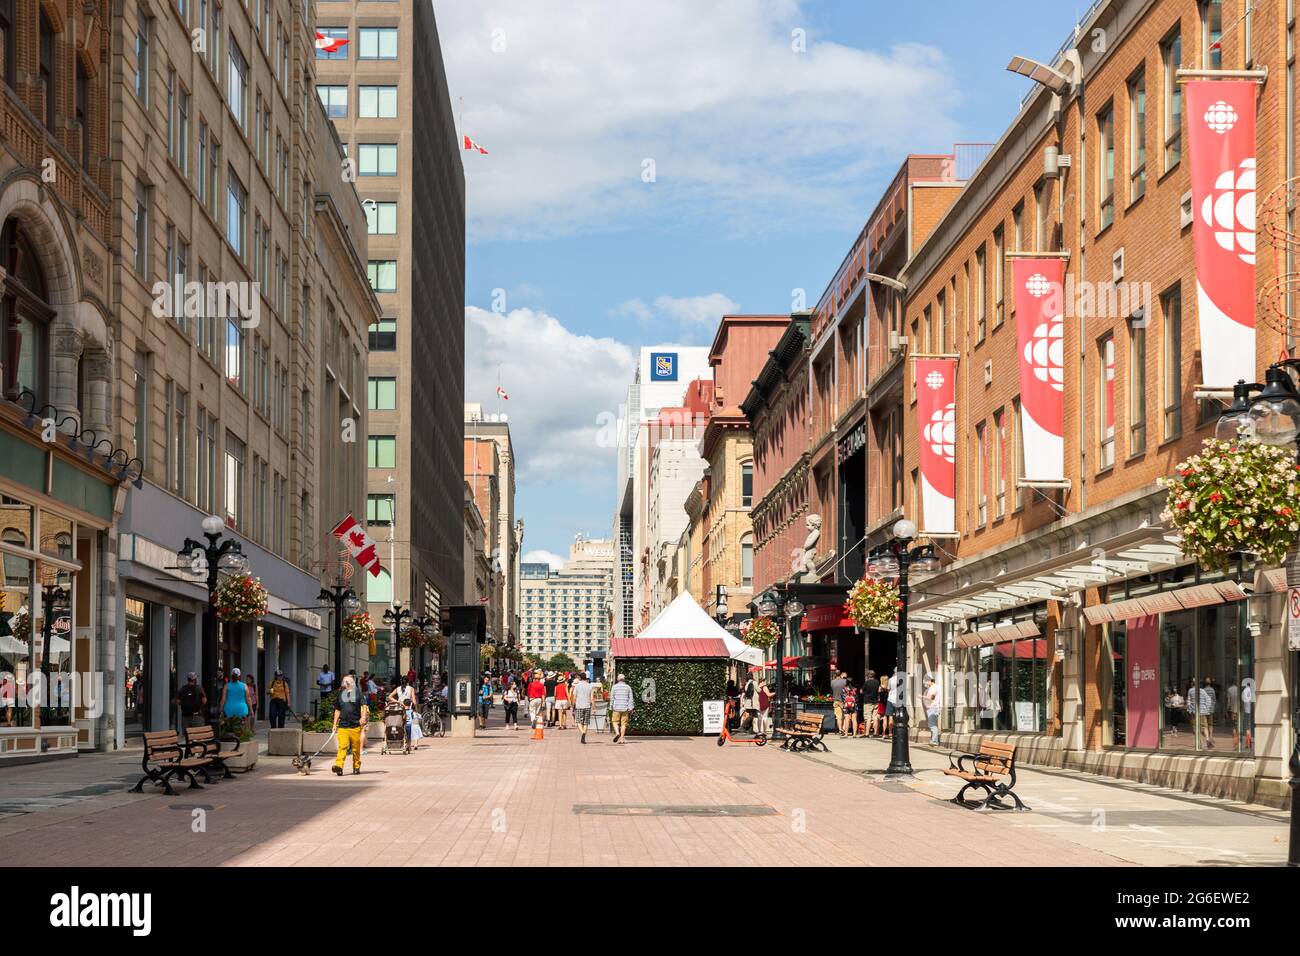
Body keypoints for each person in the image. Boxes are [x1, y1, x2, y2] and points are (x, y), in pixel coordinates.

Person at [332, 674, 369, 775]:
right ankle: (339, 766)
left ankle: (356, 766)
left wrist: (363, 717)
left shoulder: (358, 693)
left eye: (348, 681)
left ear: (352, 682)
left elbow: (364, 706)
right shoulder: (340, 694)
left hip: (355, 726)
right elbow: (337, 710)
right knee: (342, 746)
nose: (346, 682)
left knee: (356, 749)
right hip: (343, 726)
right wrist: (334, 724)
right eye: (345, 681)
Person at [388, 676, 422, 749]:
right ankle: (415, 744)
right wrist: (415, 709)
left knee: (402, 725)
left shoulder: (397, 689)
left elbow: (390, 696)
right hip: (409, 707)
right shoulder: (411, 688)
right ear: (408, 682)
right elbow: (414, 700)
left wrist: (398, 701)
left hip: (400, 709)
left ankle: (404, 742)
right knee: (415, 725)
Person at [609, 672, 635, 743]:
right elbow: (631, 699)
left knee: (614, 721)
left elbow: (612, 698)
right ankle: (622, 739)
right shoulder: (628, 687)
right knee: (624, 724)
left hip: (616, 708)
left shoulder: (614, 687)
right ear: (624, 679)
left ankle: (617, 733)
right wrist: (631, 708)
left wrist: (611, 707)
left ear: (618, 679)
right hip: (625, 708)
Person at [572, 672, 594, 743]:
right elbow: (592, 698)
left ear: (580, 678)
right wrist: (594, 707)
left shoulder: (577, 686)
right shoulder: (590, 686)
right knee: (586, 722)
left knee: (578, 721)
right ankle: (584, 733)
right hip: (587, 705)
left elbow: (574, 697)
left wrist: (573, 705)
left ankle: (583, 733)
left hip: (579, 705)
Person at [923, 675, 941, 746]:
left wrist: (921, 696)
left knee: (932, 725)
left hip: (933, 707)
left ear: (930, 681)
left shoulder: (933, 687)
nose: (926, 683)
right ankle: (933, 740)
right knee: (933, 725)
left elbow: (931, 697)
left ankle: (934, 741)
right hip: (936, 707)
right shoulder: (937, 686)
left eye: (926, 681)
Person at [862, 670, 881, 737]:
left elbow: (862, 691)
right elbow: (879, 690)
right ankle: (876, 733)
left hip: (867, 702)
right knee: (875, 718)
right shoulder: (877, 682)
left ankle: (867, 733)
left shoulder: (866, 683)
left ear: (868, 676)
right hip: (875, 702)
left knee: (868, 718)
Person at [830, 670, 847, 736]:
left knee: (838, 717)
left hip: (836, 700)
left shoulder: (832, 682)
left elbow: (832, 689)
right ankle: (844, 729)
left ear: (835, 674)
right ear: (840, 674)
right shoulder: (844, 681)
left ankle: (840, 730)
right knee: (846, 716)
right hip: (844, 701)